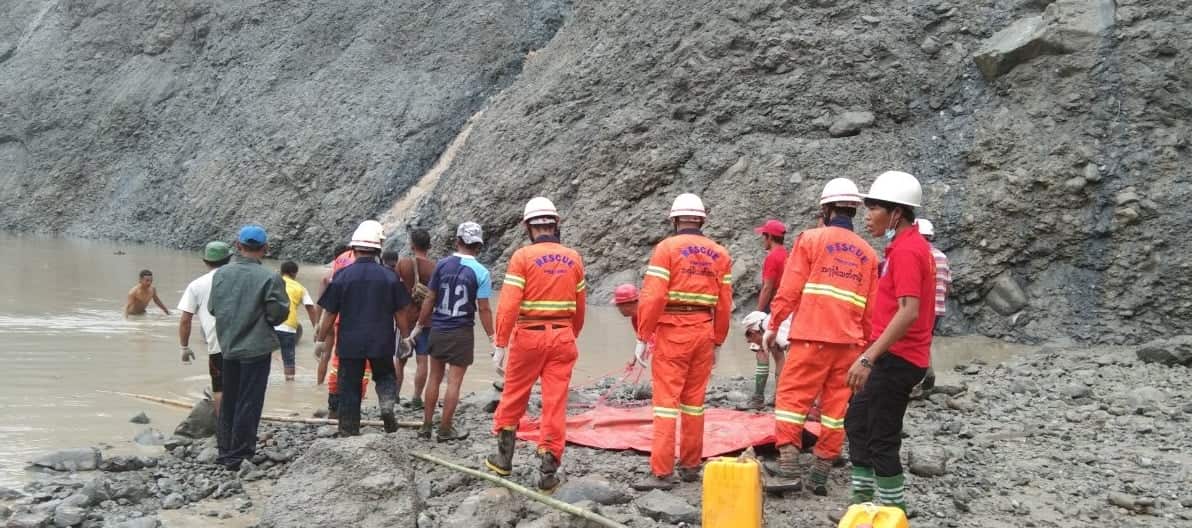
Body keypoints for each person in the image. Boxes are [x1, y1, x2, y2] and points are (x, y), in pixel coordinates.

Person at [762, 177, 879, 495]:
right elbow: (870, 310)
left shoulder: (810, 239)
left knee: (790, 400)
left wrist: (774, 325)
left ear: (826, 209)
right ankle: (820, 476)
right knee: (836, 410)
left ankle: (789, 469)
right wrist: (865, 351)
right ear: (854, 210)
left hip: (811, 336)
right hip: (850, 344)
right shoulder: (869, 254)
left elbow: (789, 288)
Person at [845, 171, 935, 512]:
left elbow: (909, 311)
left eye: (874, 208)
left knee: (881, 435)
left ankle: (890, 513)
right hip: (893, 356)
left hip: (897, 358)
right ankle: (862, 504)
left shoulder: (909, 251)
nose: (867, 215)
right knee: (857, 421)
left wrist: (868, 357)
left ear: (896, 213)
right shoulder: (905, 246)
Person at [631, 193, 733, 491]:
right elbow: (725, 304)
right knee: (694, 404)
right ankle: (690, 465)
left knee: (665, 404)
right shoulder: (720, 253)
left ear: (675, 220)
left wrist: (642, 336)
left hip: (673, 332)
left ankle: (662, 471)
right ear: (701, 220)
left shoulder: (666, 249)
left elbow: (654, 297)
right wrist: (718, 340)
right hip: (703, 330)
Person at [485, 197, 587, 492]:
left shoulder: (522, 257)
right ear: (556, 224)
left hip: (528, 335)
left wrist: (500, 343)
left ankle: (503, 460)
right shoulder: (574, 258)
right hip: (563, 335)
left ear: (528, 227)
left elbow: (508, 305)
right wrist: (570, 335)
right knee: (555, 403)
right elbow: (580, 308)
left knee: (514, 395)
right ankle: (548, 470)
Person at [315, 220, 412, 435]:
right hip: (381, 340)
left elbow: (330, 313)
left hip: (349, 342)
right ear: (378, 249)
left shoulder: (342, 276)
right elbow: (401, 312)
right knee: (385, 376)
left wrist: (321, 340)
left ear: (353, 248)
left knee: (349, 385)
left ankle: (349, 430)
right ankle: (386, 405)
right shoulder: (390, 277)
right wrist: (405, 338)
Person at [207, 225, 290, 470]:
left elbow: (213, 309)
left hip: (228, 347)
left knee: (230, 397)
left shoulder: (221, 274)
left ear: (238, 246)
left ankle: (225, 450)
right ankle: (240, 454)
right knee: (249, 400)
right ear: (264, 249)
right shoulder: (270, 277)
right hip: (256, 349)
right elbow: (279, 314)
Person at [412, 222, 494, 442]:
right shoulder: (482, 272)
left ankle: (426, 426)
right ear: (478, 245)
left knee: (434, 378)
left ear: (457, 241)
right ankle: (445, 429)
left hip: (438, 328)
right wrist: (493, 338)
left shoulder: (442, 265)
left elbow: (430, 298)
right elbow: (484, 308)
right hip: (462, 333)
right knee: (454, 382)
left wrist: (420, 325)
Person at [315, 245, 371, 418]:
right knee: (361, 366)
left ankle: (323, 393)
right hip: (360, 323)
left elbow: (322, 302)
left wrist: (318, 326)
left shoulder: (332, 274)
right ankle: (352, 406)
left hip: (335, 320)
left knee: (331, 359)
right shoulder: (362, 271)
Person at [177, 241, 233, 415]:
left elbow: (185, 320)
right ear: (229, 259)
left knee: (220, 388)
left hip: (217, 345)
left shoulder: (196, 285)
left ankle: (223, 429)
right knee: (242, 386)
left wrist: (184, 347)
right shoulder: (239, 279)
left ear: (205, 261)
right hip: (245, 342)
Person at [745, 219, 788, 410]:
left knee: (759, 348)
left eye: (764, 235)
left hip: (771, 308)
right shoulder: (787, 255)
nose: (762, 239)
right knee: (779, 353)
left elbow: (768, 286)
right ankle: (780, 398)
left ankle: (758, 397)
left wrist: (758, 313)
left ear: (769, 237)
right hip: (784, 309)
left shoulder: (773, 257)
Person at [397, 228, 435, 410]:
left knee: (400, 359)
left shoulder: (402, 264)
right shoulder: (434, 268)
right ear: (429, 246)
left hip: (404, 319)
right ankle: (417, 398)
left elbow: (394, 288)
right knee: (422, 360)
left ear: (412, 245)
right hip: (426, 320)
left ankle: (394, 396)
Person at [915, 219, 951, 391]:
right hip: (938, 309)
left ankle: (923, 376)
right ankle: (927, 373)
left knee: (914, 343)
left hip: (921, 309)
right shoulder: (942, 257)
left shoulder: (916, 253)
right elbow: (948, 286)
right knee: (925, 340)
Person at [274, 261, 319, 381]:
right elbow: (311, 309)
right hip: (289, 326)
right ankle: (289, 384)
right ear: (294, 274)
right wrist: (316, 330)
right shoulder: (300, 288)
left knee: (263, 357)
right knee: (289, 358)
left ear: (281, 272)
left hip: (269, 326)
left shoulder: (272, 282)